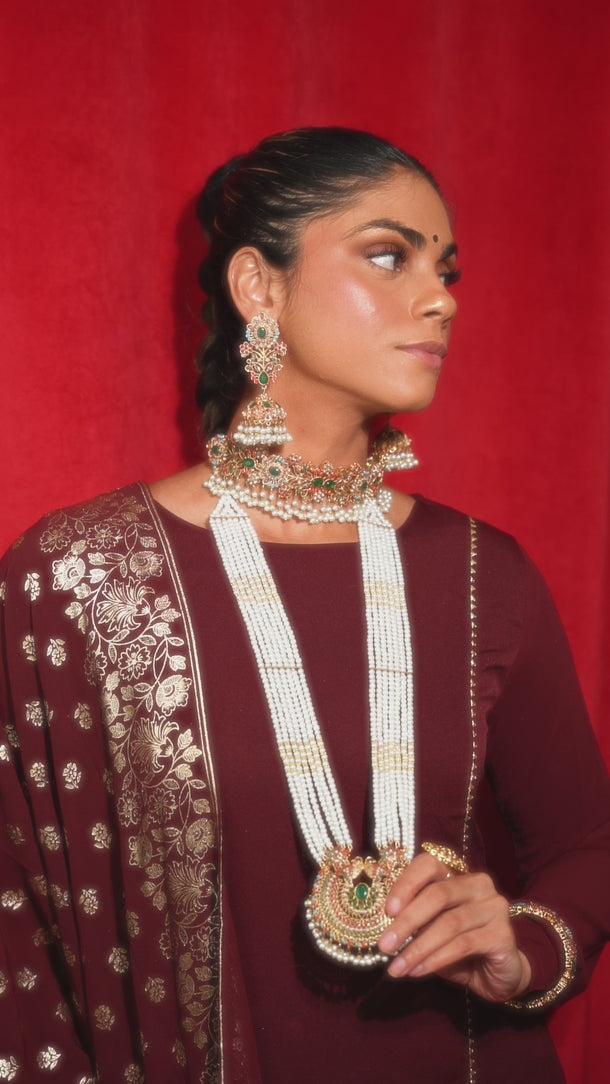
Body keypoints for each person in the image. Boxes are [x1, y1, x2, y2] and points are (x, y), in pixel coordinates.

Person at [0, 128, 609, 1084]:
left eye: (446, 270)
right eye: (389, 256)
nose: (441, 299)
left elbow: (587, 841)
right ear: (259, 286)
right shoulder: (77, 576)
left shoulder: (482, 571)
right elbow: (18, 931)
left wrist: (526, 943)